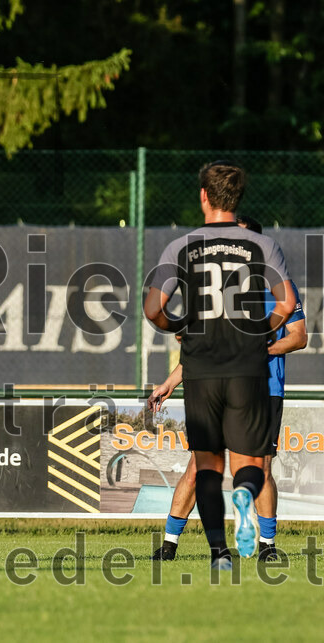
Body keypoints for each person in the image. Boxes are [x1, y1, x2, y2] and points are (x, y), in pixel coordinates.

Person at [144, 162, 295, 570]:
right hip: (249, 370)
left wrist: (178, 325)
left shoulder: (181, 246)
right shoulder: (261, 247)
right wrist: (260, 332)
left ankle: (219, 554)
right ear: (238, 199)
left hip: (202, 370)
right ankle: (245, 496)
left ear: (204, 197)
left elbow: (153, 308)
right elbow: (287, 305)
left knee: (206, 466)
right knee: (251, 466)